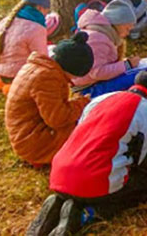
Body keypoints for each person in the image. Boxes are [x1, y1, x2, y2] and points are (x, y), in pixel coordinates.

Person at [27, 71, 147, 236]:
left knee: (84, 183)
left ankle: (58, 202)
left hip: (59, 174)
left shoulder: (101, 99)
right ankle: (85, 214)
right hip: (95, 181)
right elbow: (145, 162)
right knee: (143, 189)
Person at [5, 32, 93, 167]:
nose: (72, 81)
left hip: (26, 134)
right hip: (33, 144)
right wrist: (82, 104)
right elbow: (57, 119)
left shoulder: (40, 67)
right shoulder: (47, 78)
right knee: (89, 131)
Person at [0, 0, 54, 95]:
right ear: (40, 7)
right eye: (46, 10)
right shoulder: (36, 28)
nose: (46, 15)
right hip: (21, 77)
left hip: (2, 74)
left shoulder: (5, 21)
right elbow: (42, 59)